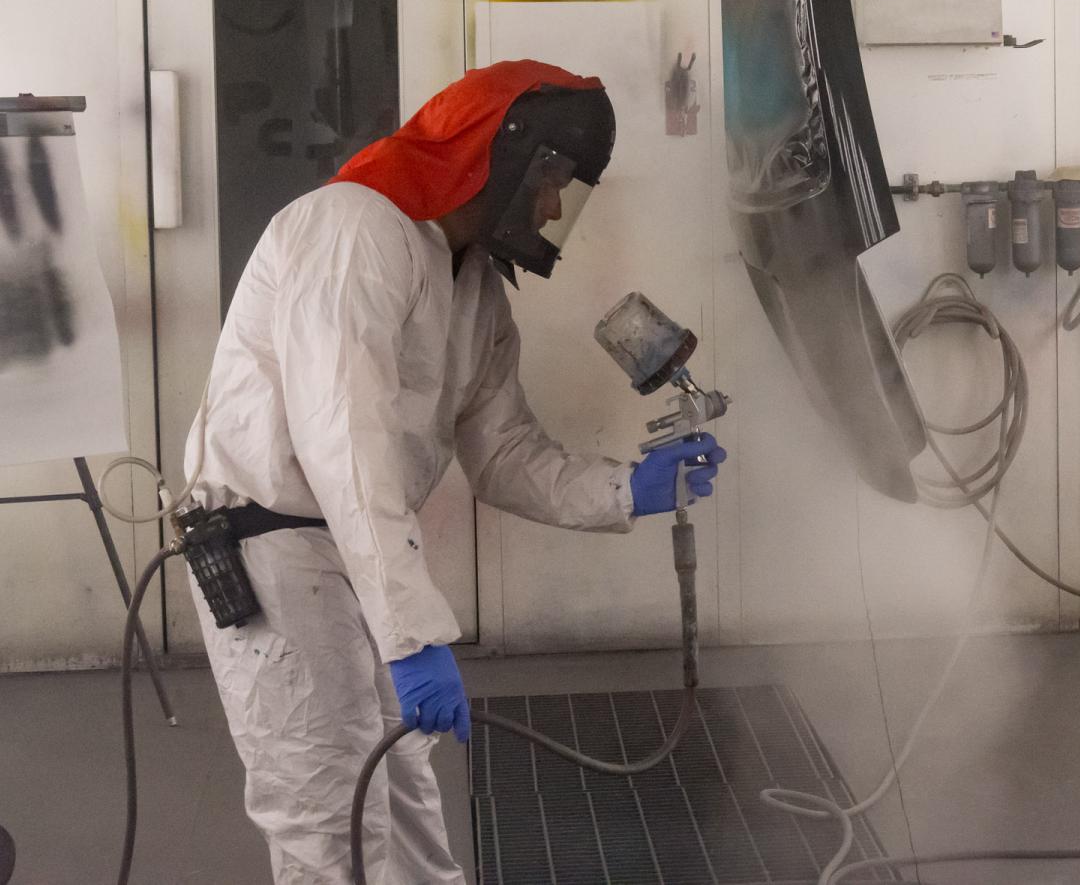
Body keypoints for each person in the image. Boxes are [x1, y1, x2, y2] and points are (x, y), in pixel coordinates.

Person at [183, 59, 726, 884]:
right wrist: (411, 632)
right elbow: (344, 441)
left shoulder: (476, 294)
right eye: (551, 180)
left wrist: (629, 486)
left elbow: (504, 453)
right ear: (498, 155)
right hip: (275, 551)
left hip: (355, 552)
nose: (552, 208)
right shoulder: (353, 229)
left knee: (408, 814)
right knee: (329, 820)